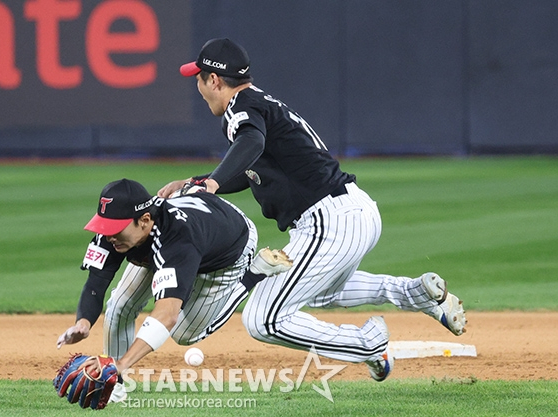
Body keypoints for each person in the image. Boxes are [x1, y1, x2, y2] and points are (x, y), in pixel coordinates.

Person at [158, 38, 467, 381]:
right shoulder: (258, 104)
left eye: (199, 78)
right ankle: (412, 293)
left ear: (214, 80)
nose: (198, 87)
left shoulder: (241, 108)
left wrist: (212, 183)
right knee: (316, 293)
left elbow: (251, 142)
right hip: (349, 211)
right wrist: (197, 180)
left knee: (263, 319)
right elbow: (252, 169)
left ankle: (367, 343)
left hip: (328, 220)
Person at [56, 178, 291, 401]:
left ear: (145, 220)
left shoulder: (177, 241)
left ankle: (255, 273)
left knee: (184, 334)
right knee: (119, 304)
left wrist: (121, 364)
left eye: (116, 229)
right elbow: (97, 280)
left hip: (228, 248)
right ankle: (115, 387)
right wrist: (83, 323)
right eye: (106, 227)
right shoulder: (116, 229)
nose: (109, 235)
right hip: (191, 224)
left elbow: (166, 315)